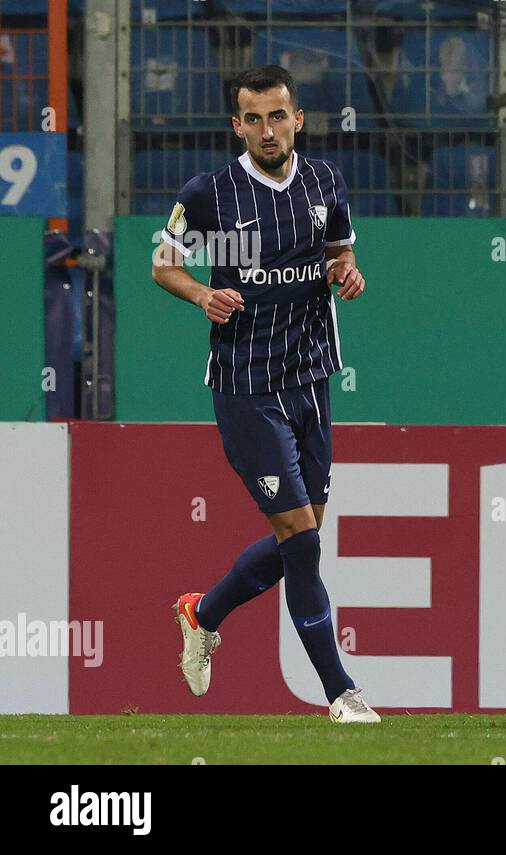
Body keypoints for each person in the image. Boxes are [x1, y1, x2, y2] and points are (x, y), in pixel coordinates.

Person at [150, 65, 378, 723]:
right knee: (302, 543)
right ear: (237, 125)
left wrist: (347, 270)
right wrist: (201, 293)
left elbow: (339, 250)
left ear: (298, 118)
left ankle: (203, 611)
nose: (268, 129)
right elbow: (164, 264)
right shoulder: (211, 194)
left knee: (300, 543)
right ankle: (340, 692)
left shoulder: (325, 181)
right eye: (254, 118)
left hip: (311, 378)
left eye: (278, 116)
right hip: (247, 385)